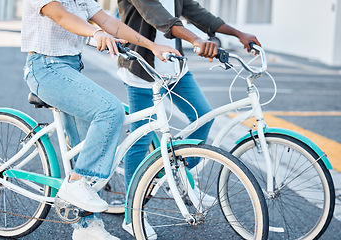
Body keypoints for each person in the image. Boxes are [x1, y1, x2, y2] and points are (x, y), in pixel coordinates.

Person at [21, 1, 180, 239]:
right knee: (110, 111)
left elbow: (109, 22)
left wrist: (151, 46)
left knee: (86, 146)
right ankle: (74, 185)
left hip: (70, 70)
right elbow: (62, 17)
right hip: (45, 68)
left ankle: (86, 227)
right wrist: (95, 32)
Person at [117, 0, 261, 238]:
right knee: (141, 137)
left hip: (173, 66)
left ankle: (173, 174)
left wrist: (238, 33)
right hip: (142, 66)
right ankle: (131, 215)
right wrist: (196, 40)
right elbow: (159, 17)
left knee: (203, 116)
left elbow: (197, 13)